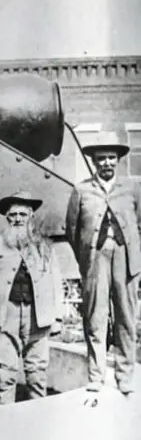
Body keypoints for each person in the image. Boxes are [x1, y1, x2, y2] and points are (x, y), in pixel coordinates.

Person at [66, 132, 141, 394]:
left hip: (126, 258)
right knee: (95, 317)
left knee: (126, 317)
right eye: (101, 159)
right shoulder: (82, 190)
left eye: (111, 158)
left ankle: (125, 375)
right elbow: (72, 230)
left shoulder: (132, 189)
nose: (106, 163)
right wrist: (87, 260)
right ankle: (96, 377)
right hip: (95, 259)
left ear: (118, 160)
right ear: (95, 162)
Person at [0, 191, 63, 404]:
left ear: (31, 216)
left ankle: (38, 420)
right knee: (5, 374)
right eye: (13, 215)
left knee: (36, 373)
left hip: (38, 316)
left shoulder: (44, 245)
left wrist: (58, 318)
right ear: (7, 218)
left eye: (22, 215)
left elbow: (55, 281)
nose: (17, 219)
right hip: (7, 315)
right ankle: (5, 422)